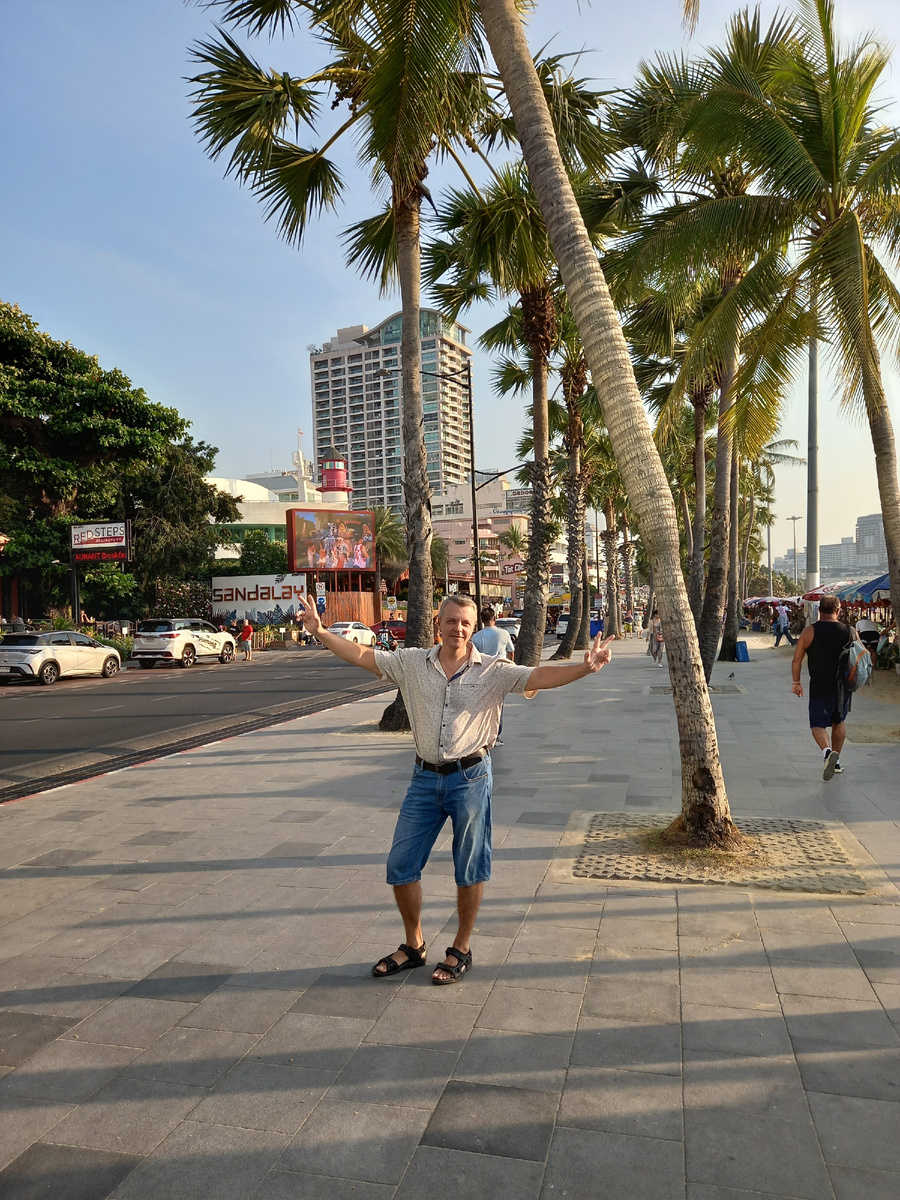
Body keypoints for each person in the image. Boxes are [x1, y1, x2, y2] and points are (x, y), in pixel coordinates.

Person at [297, 592, 614, 986]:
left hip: (471, 779)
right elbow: (363, 655)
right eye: (451, 621)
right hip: (423, 778)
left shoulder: (494, 670)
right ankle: (414, 945)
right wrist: (321, 632)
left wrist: (585, 668)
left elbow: (539, 677)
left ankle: (461, 947)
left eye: (465, 623)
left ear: (474, 628)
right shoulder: (411, 663)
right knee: (400, 865)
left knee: (469, 867)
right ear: (439, 624)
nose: (458, 629)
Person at [791, 595, 855, 780]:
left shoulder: (809, 631)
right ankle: (836, 761)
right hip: (842, 685)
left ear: (819, 610)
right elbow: (861, 656)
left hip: (819, 684)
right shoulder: (849, 631)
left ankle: (827, 752)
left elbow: (797, 660)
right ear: (838, 611)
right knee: (839, 722)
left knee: (817, 724)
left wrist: (796, 683)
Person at [470, 606, 515, 745]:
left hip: (482, 673)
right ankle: (495, 736)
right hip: (499, 672)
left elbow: (472, 655)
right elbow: (511, 652)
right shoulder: (504, 633)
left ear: (482, 620)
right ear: (494, 618)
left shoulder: (476, 637)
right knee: (498, 705)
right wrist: (510, 666)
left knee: (482, 705)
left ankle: (482, 734)